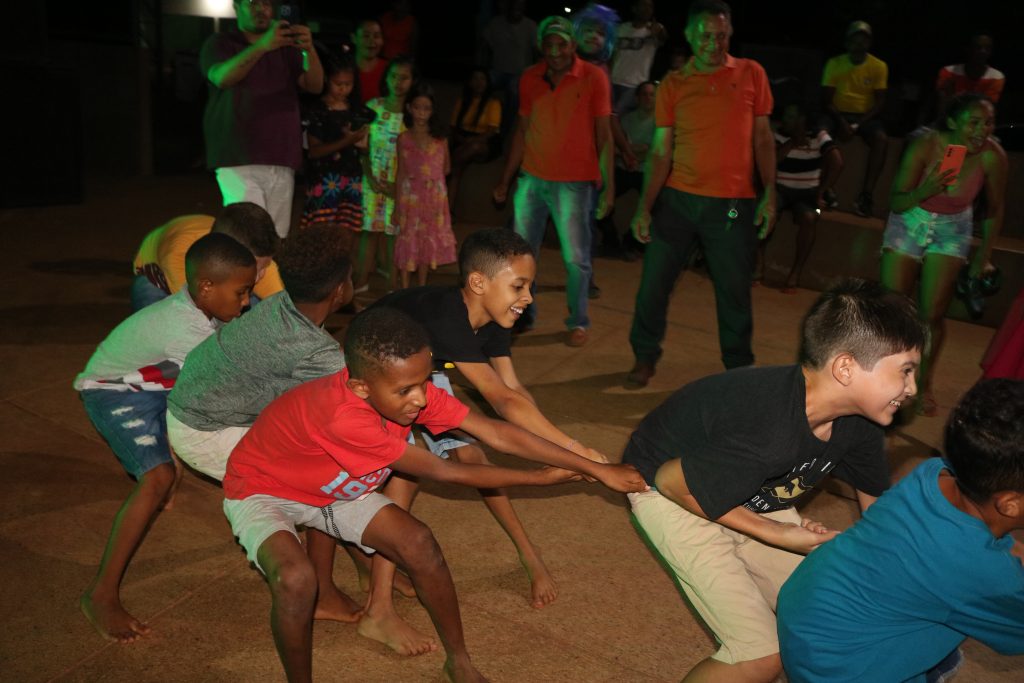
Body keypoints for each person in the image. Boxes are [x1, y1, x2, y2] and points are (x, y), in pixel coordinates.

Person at [221, 306, 645, 681]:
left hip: (332, 487)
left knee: (419, 543)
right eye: (406, 390)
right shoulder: (343, 417)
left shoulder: (407, 390)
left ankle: (458, 662)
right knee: (296, 579)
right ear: (361, 388)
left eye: (424, 381)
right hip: (265, 489)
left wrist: (594, 468)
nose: (421, 398)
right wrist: (541, 479)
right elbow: (444, 471)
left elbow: (495, 432)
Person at [625, 278, 926, 683]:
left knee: (823, 612)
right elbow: (672, 481)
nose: (912, 389)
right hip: (671, 492)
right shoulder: (769, 427)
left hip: (745, 487)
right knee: (760, 656)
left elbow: (878, 518)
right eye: (905, 371)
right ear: (845, 368)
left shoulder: (861, 425)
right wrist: (777, 533)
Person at [374, 227, 625, 618]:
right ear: (479, 283)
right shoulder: (447, 317)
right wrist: (577, 452)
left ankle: (529, 556)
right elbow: (502, 400)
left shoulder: (492, 318)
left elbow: (515, 390)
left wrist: (556, 446)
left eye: (530, 287)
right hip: (378, 374)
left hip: (427, 369)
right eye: (519, 287)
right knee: (406, 476)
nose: (528, 298)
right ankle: (378, 606)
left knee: (474, 459)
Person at [167, 225, 364, 624]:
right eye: (350, 276)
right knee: (329, 477)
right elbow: (358, 394)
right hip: (206, 431)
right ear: (339, 290)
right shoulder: (316, 351)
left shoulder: (281, 305)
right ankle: (322, 592)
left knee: (327, 456)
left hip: (195, 406)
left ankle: (367, 565)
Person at [778, 378, 1024, 683]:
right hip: (837, 669)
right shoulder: (983, 573)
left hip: (808, 613)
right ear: (1010, 504)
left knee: (945, 605)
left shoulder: (934, 473)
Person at [76, 234, 257, 643]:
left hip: (156, 381)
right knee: (156, 478)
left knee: (191, 437)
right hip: (114, 390)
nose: (246, 302)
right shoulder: (184, 326)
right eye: (241, 292)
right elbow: (234, 382)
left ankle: (167, 456)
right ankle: (100, 594)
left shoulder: (201, 305)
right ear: (207, 286)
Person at [626, 0, 776, 388]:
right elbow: (661, 151)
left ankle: (738, 367)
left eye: (721, 35)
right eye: (706, 35)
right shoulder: (674, 84)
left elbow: (763, 139)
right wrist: (644, 207)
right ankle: (644, 355)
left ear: (731, 33)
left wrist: (770, 193)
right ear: (690, 36)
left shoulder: (752, 73)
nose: (714, 43)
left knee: (734, 291)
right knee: (653, 286)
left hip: (733, 203)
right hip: (678, 200)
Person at [880, 94, 1007, 416]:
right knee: (893, 308)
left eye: (988, 123)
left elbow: (994, 210)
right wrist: (927, 189)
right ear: (951, 122)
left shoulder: (993, 156)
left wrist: (983, 256)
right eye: (973, 122)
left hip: (954, 226)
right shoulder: (925, 145)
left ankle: (923, 383)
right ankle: (885, 377)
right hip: (911, 217)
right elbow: (896, 202)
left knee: (932, 315)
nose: (982, 130)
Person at [493, 15, 614, 348]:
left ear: (573, 45)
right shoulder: (530, 78)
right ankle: (523, 316)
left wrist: (608, 186)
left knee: (576, 258)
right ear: (541, 46)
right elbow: (522, 131)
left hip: (575, 183)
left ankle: (578, 320)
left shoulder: (593, 77)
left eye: (562, 44)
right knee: (522, 255)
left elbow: (605, 135)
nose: (556, 51)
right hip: (532, 179)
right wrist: (506, 178)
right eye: (550, 44)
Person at [200, 0, 323, 239]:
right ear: (236, 7)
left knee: (275, 238)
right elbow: (221, 77)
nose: (261, 8)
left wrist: (309, 49)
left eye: (266, 3)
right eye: (252, 2)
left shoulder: (286, 46)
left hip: (282, 156)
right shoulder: (220, 42)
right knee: (247, 236)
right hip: (238, 156)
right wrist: (263, 46)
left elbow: (315, 86)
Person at [131, 202, 281, 312]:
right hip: (160, 282)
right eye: (257, 269)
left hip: (220, 278)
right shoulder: (179, 256)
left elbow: (283, 307)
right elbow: (196, 312)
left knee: (257, 306)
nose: (260, 276)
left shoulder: (258, 259)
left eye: (265, 267)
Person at [762, 100, 842, 292]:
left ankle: (795, 273)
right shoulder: (777, 134)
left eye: (791, 116)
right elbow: (772, 160)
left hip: (808, 194)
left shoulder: (819, 135)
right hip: (780, 190)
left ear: (802, 119)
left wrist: (823, 190)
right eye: (785, 115)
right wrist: (792, 142)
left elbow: (837, 162)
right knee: (764, 213)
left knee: (811, 217)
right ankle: (757, 265)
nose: (785, 119)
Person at [355, 56, 414, 293]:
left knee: (394, 235)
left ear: (413, 81)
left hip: (399, 184)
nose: (398, 82)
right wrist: (370, 176)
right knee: (369, 231)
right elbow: (362, 146)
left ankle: (392, 286)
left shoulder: (412, 114)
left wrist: (398, 185)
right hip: (372, 180)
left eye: (404, 78)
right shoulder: (373, 107)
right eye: (394, 76)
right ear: (386, 78)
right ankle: (361, 281)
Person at [821, 21, 888, 218]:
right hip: (836, 113)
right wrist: (842, 122)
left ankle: (866, 196)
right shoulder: (834, 63)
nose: (859, 45)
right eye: (855, 41)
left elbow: (880, 103)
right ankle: (824, 188)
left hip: (864, 117)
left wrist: (857, 125)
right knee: (821, 133)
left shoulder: (879, 66)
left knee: (881, 139)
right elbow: (827, 101)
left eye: (863, 41)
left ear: (869, 43)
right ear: (847, 43)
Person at [393, 83, 456, 289]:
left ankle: (421, 287)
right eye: (417, 107)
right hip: (410, 197)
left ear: (432, 111)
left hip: (433, 199)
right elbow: (401, 172)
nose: (421, 113)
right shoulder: (404, 139)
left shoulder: (440, 139)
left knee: (427, 240)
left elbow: (446, 168)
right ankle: (404, 288)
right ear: (409, 108)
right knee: (408, 237)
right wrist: (396, 205)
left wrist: (433, 184)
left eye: (426, 108)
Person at [299, 57, 368, 239]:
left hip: (351, 178)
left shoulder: (356, 110)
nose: (343, 89)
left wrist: (362, 145)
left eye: (348, 84)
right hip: (325, 179)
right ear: (327, 80)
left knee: (346, 233)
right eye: (338, 84)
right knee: (321, 232)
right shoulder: (317, 110)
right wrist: (347, 140)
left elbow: (363, 149)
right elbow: (314, 151)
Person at [448, 68, 502, 213]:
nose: (479, 82)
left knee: (474, 147)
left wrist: (471, 141)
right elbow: (453, 127)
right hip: (462, 139)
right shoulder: (462, 101)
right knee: (457, 169)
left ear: (487, 82)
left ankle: (447, 167)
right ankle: (448, 212)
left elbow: (492, 131)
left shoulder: (493, 103)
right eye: (475, 78)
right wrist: (462, 139)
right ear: (470, 82)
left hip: (485, 141)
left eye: (482, 79)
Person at [480, 0, 537, 139]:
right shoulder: (496, 23)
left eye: (520, 7)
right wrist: (483, 69)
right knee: (480, 84)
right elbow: (485, 45)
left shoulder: (530, 26)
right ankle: (477, 122)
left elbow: (536, 50)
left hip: (519, 73)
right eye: (514, 6)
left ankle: (504, 130)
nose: (516, 9)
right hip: (497, 70)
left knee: (514, 92)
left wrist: (533, 73)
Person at [610, 0, 667, 113]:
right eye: (643, 5)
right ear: (634, 8)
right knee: (609, 114)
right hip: (614, 80)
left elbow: (663, 38)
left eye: (650, 6)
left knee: (618, 114)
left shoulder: (654, 29)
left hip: (635, 85)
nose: (647, 9)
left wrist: (659, 33)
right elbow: (612, 54)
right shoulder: (622, 28)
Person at [936, 33, 1005, 117]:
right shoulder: (948, 72)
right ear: (968, 49)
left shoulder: (996, 77)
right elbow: (944, 106)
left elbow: (986, 108)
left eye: (987, 48)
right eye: (978, 47)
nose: (983, 51)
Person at [352, 18, 387, 104]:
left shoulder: (390, 69)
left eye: (376, 36)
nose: (372, 41)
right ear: (354, 38)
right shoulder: (343, 68)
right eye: (366, 36)